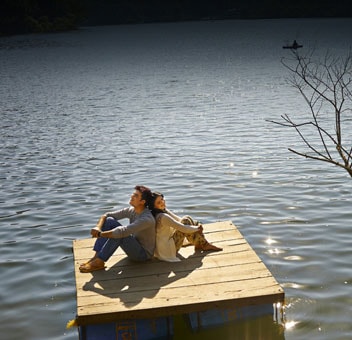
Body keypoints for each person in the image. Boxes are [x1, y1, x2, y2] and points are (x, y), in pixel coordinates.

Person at [79, 185, 155, 273]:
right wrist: (98, 227)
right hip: (133, 245)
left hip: (142, 255)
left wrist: (100, 234)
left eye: (136, 196)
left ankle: (100, 261)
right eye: (133, 194)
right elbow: (106, 215)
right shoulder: (132, 210)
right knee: (109, 221)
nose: (131, 196)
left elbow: (122, 232)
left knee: (120, 233)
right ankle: (96, 257)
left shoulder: (146, 219)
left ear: (142, 202)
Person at [149, 191, 222, 262]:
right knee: (186, 221)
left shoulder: (162, 211)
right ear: (154, 206)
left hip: (164, 247)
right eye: (159, 202)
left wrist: (194, 225)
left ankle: (200, 243)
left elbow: (178, 220)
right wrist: (197, 228)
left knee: (187, 218)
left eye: (162, 199)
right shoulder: (162, 217)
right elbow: (181, 227)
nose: (162, 202)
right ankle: (204, 244)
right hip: (167, 251)